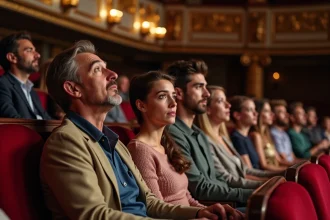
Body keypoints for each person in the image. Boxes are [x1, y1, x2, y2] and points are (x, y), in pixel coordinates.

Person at [41, 40, 240, 220]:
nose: (113, 75)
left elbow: (150, 203)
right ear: (73, 89)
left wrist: (198, 212)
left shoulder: (115, 143)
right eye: (97, 70)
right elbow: (95, 215)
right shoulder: (66, 142)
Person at [127, 71, 243, 218]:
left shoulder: (167, 143)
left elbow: (187, 198)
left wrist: (212, 212)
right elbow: (155, 210)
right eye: (162, 96)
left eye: (173, 96)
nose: (173, 103)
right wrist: (200, 215)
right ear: (141, 105)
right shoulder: (140, 150)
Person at [166, 60, 253, 205]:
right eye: (199, 87)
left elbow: (217, 177)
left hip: (226, 203)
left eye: (205, 87)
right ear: (179, 93)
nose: (206, 94)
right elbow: (200, 189)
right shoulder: (173, 133)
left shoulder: (199, 134)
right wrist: (253, 194)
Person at [196, 86, 268, 189]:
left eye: (226, 101)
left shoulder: (224, 137)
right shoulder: (206, 141)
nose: (228, 105)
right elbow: (226, 179)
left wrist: (279, 175)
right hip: (237, 197)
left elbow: (246, 170)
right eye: (221, 101)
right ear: (208, 109)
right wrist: (267, 184)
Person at [0, 31, 51, 119]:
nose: (38, 55)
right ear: (12, 58)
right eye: (29, 50)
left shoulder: (31, 89)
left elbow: (47, 119)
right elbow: (12, 120)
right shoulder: (2, 84)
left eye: (35, 50)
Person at [250, 99, 288, 172]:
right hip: (270, 176)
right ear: (259, 113)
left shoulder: (267, 134)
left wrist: (297, 166)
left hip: (278, 171)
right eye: (267, 111)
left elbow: (279, 160)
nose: (272, 114)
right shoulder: (256, 135)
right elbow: (264, 166)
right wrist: (288, 170)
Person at [228, 96, 260, 169]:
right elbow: (249, 171)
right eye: (250, 110)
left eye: (254, 109)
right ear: (237, 115)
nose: (256, 113)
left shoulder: (246, 136)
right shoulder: (237, 138)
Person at [269, 99, 298, 164]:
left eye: (285, 112)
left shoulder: (285, 133)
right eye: (281, 112)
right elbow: (283, 159)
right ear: (273, 116)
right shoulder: (272, 133)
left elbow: (293, 157)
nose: (286, 115)